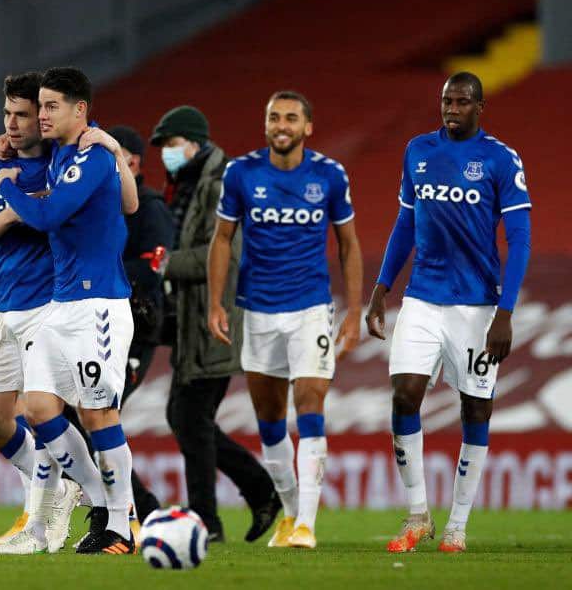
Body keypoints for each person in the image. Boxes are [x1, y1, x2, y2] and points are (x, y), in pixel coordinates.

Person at [367, 72, 531, 554]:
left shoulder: (501, 159)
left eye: (461, 101)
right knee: (404, 396)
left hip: (477, 305)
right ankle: (418, 514)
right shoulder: (418, 150)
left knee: (475, 408)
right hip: (422, 297)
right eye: (446, 101)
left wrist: (505, 312)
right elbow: (405, 222)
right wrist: (382, 287)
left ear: (480, 107)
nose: (451, 108)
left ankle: (458, 525)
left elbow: (519, 239)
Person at [208, 92, 362, 549]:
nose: (281, 124)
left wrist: (354, 311)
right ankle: (290, 513)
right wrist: (216, 303)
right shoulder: (241, 173)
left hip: (310, 308)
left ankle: (307, 526)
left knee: (310, 405)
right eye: (274, 116)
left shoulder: (329, 176)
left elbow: (349, 244)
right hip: (256, 309)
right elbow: (222, 239)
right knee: (270, 420)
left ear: (307, 127)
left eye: (291, 118)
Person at [0, 67, 138, 555]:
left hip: (98, 305)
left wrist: (8, 186)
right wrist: (8, 146)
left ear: (81, 109)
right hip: (62, 302)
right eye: (41, 106)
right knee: (37, 408)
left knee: (99, 413)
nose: (43, 115)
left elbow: (49, 216)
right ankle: (99, 501)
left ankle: (122, 524)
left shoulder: (93, 156)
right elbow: (130, 202)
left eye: (52, 106)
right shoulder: (65, 154)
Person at [149, 106, 280, 543]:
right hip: (194, 319)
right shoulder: (192, 183)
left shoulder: (221, 182)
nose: (166, 154)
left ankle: (210, 517)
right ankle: (255, 493)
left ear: (193, 141)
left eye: (170, 144)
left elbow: (224, 254)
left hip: (215, 318)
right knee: (188, 416)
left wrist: (166, 264)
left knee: (189, 416)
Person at [0, 71, 81, 553]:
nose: (12, 124)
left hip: (46, 304)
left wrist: (21, 204)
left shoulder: (64, 163)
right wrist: (15, 208)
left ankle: (38, 521)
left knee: (37, 411)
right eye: (7, 113)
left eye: (23, 114)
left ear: (45, 116)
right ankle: (61, 484)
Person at [109, 125, 170, 521]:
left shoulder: (149, 207)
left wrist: (104, 273)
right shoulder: (100, 204)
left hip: (136, 330)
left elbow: (157, 261)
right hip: (100, 326)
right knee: (82, 416)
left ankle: (138, 508)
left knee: (99, 415)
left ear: (132, 162)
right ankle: (127, 505)